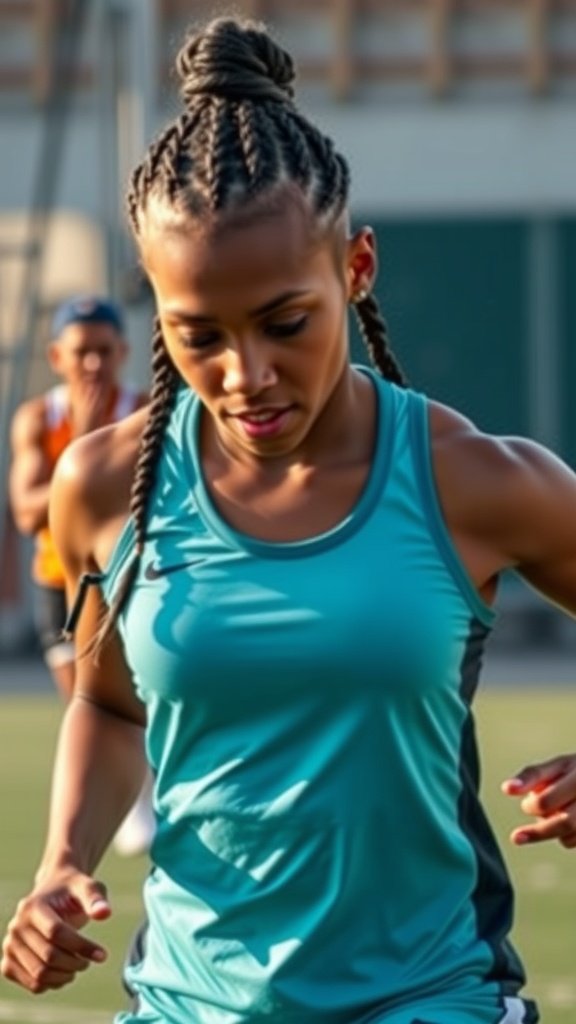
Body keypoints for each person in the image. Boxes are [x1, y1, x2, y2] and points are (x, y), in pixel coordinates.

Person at [2, 16, 576, 1024]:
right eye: (200, 337)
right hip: (185, 1005)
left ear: (355, 271)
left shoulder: (473, 481)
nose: (246, 375)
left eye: (284, 322)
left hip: (433, 1001)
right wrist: (58, 862)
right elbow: (112, 703)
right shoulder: (98, 487)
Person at [8, 294, 154, 858]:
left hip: (127, 575)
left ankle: (146, 797)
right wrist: (85, 444)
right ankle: (121, 804)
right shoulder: (38, 419)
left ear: (122, 352)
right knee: (87, 701)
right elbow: (26, 511)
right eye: (80, 352)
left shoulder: (144, 410)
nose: (93, 364)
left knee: (137, 696)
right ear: (56, 356)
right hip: (61, 581)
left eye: (103, 351)